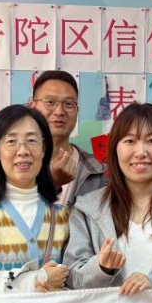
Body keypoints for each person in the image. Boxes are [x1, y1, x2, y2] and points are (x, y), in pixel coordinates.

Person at [64, 103, 152, 292]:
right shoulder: (87, 208)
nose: (141, 152)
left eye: (151, 140)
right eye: (129, 141)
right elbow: (71, 278)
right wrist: (101, 268)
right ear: (115, 149)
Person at [0, 105, 71, 294]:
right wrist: (36, 279)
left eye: (31, 140)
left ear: (44, 149)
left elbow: (72, 284)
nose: (23, 150)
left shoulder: (62, 216)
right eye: (11, 141)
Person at [28, 70, 105, 206]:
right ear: (32, 107)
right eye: (50, 102)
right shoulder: (12, 164)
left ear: (77, 111)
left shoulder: (98, 173)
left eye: (68, 104)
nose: (59, 111)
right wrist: (53, 183)